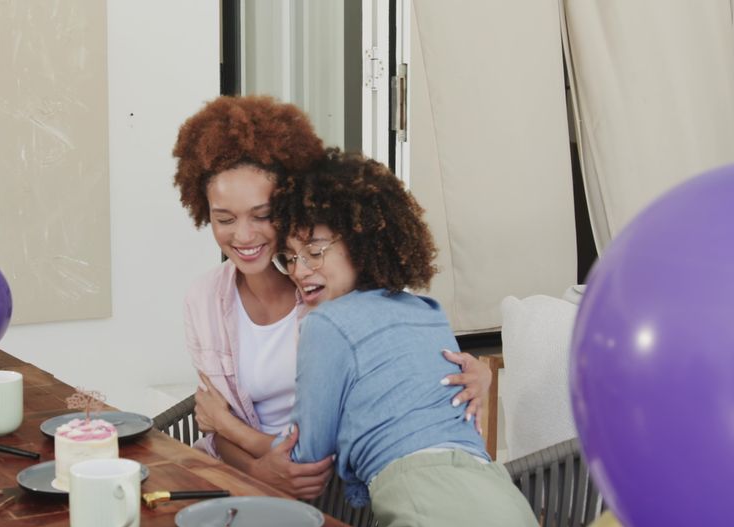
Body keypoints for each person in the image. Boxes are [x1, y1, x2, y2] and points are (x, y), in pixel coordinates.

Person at [172, 96, 493, 499]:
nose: (243, 236)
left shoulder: (337, 292)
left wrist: (480, 373)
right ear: (204, 211)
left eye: (262, 214)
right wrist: (259, 469)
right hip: (241, 482)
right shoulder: (204, 299)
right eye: (224, 219)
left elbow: (222, 422)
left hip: (336, 490)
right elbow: (213, 426)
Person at [271, 148, 546, 527]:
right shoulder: (428, 311)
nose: (298, 270)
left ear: (362, 241)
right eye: (290, 257)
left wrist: (225, 427)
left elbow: (305, 458)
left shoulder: (325, 324)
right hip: (509, 507)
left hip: (430, 514)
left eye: (314, 251)